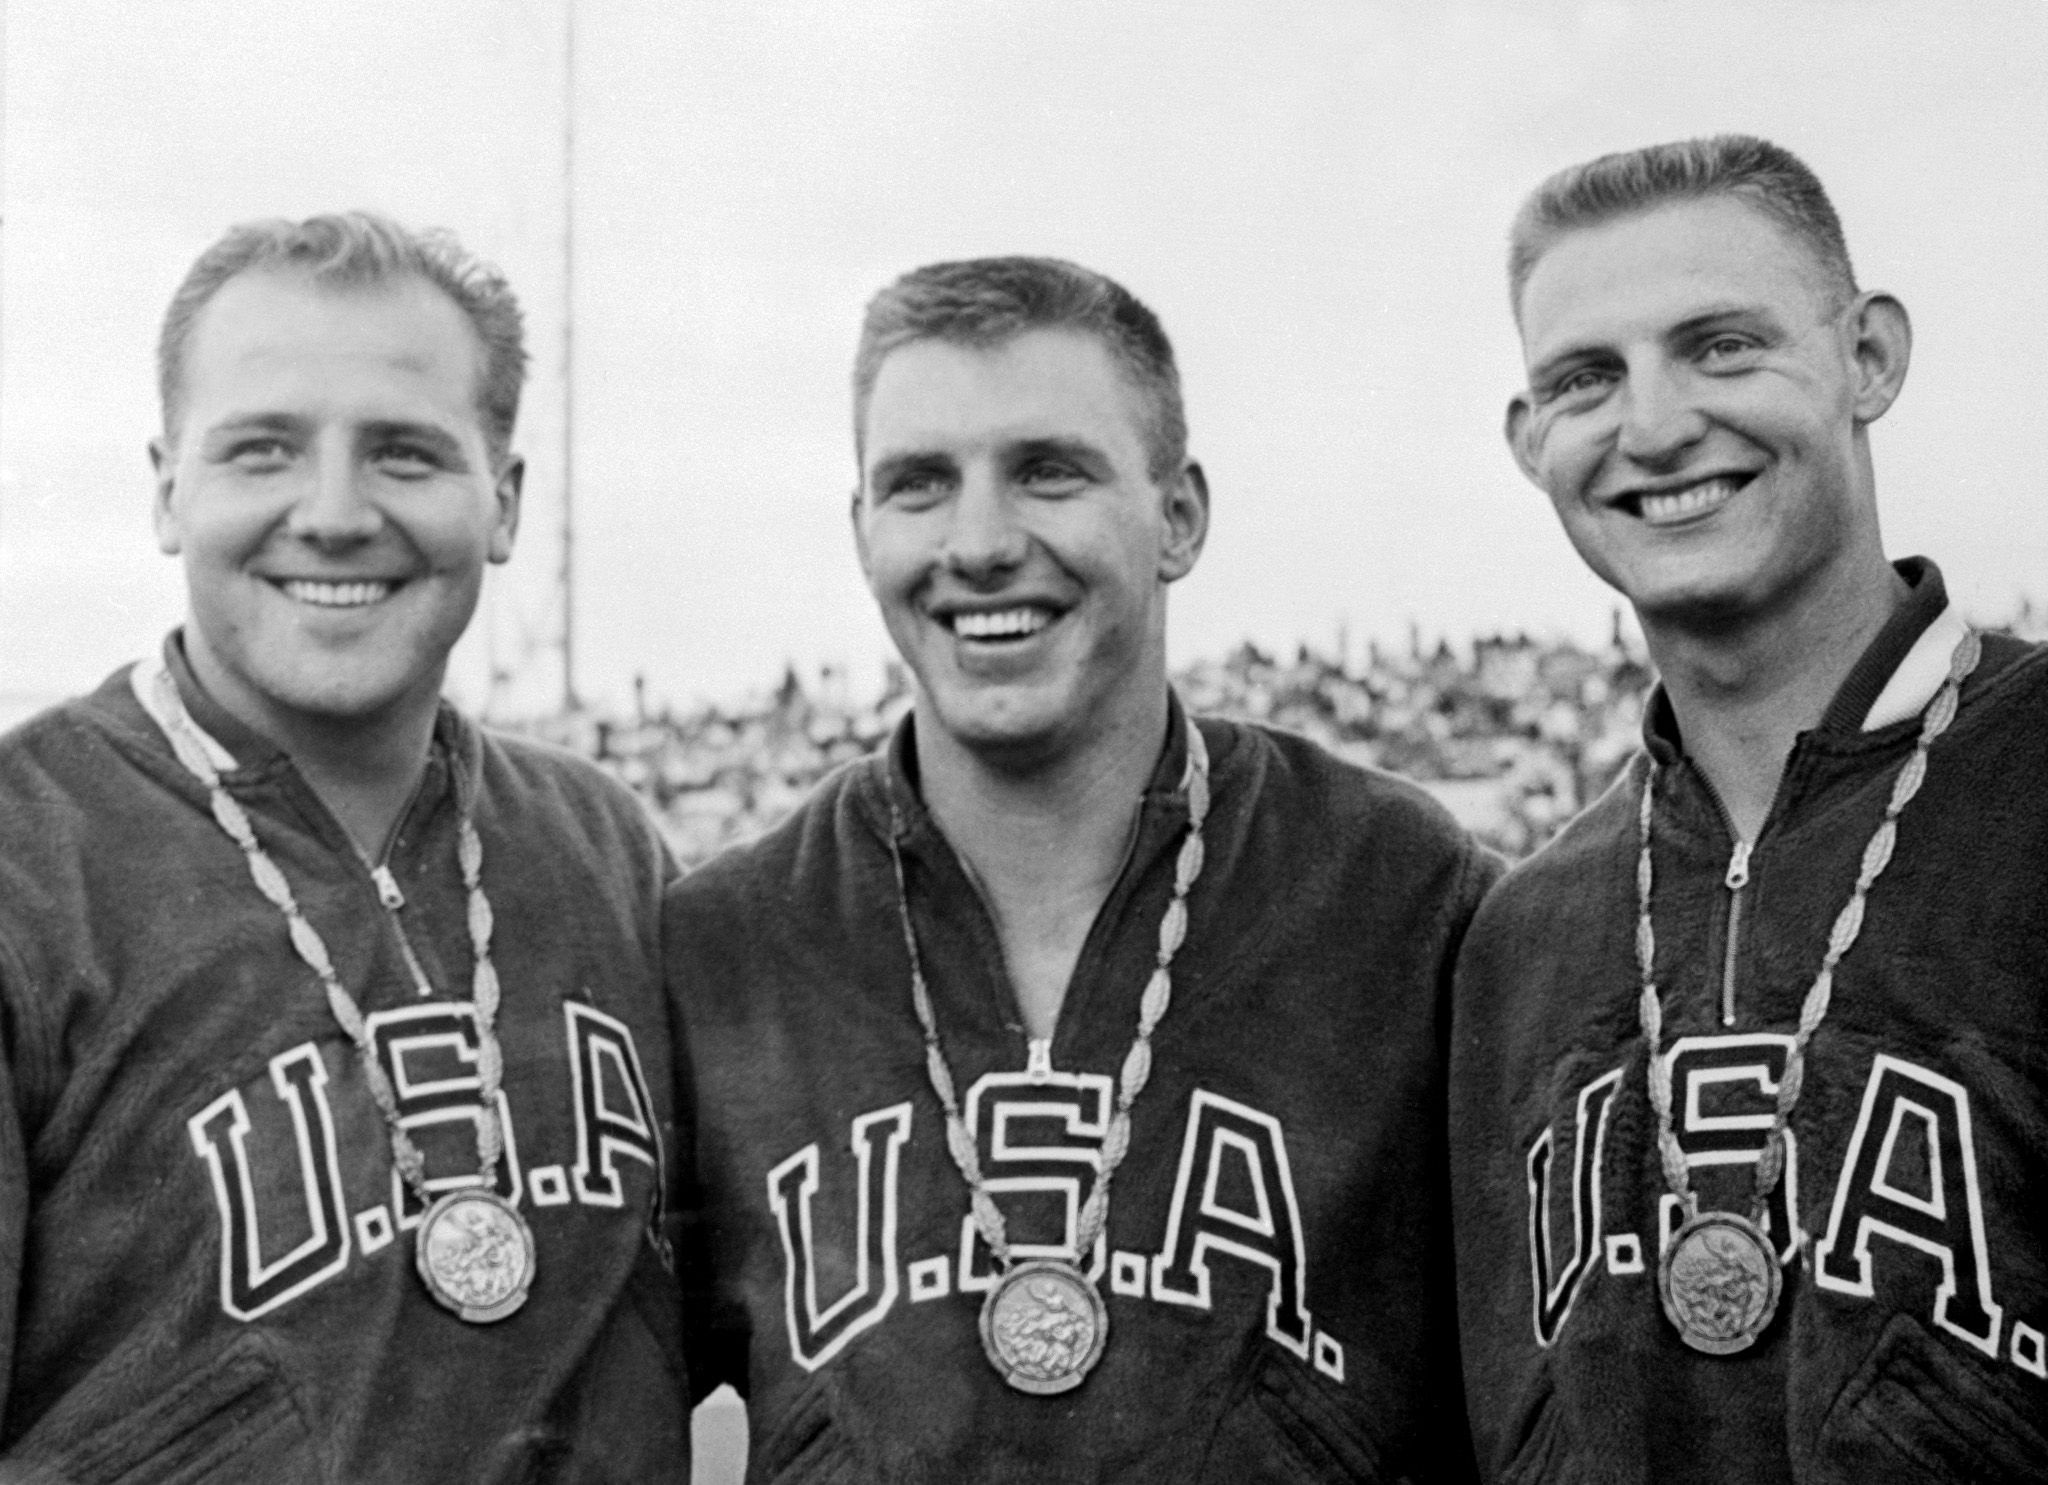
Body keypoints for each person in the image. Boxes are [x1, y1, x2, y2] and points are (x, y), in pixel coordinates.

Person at [668, 256, 1496, 1480]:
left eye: (1047, 472)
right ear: (860, 532)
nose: (981, 542)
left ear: (1178, 515)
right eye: (919, 485)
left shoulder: (1396, 892)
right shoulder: (729, 940)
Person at [0, 214, 688, 1480]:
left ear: (505, 500)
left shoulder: (607, 850)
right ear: (167, 489)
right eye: (262, 451)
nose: (331, 514)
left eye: (406, 454)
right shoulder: (24, 860)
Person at [1452, 135, 2048, 1482]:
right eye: (1586, 380)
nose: (1653, 425)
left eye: (1721, 346)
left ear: (1870, 358)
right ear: (1530, 438)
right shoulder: (1520, 935)